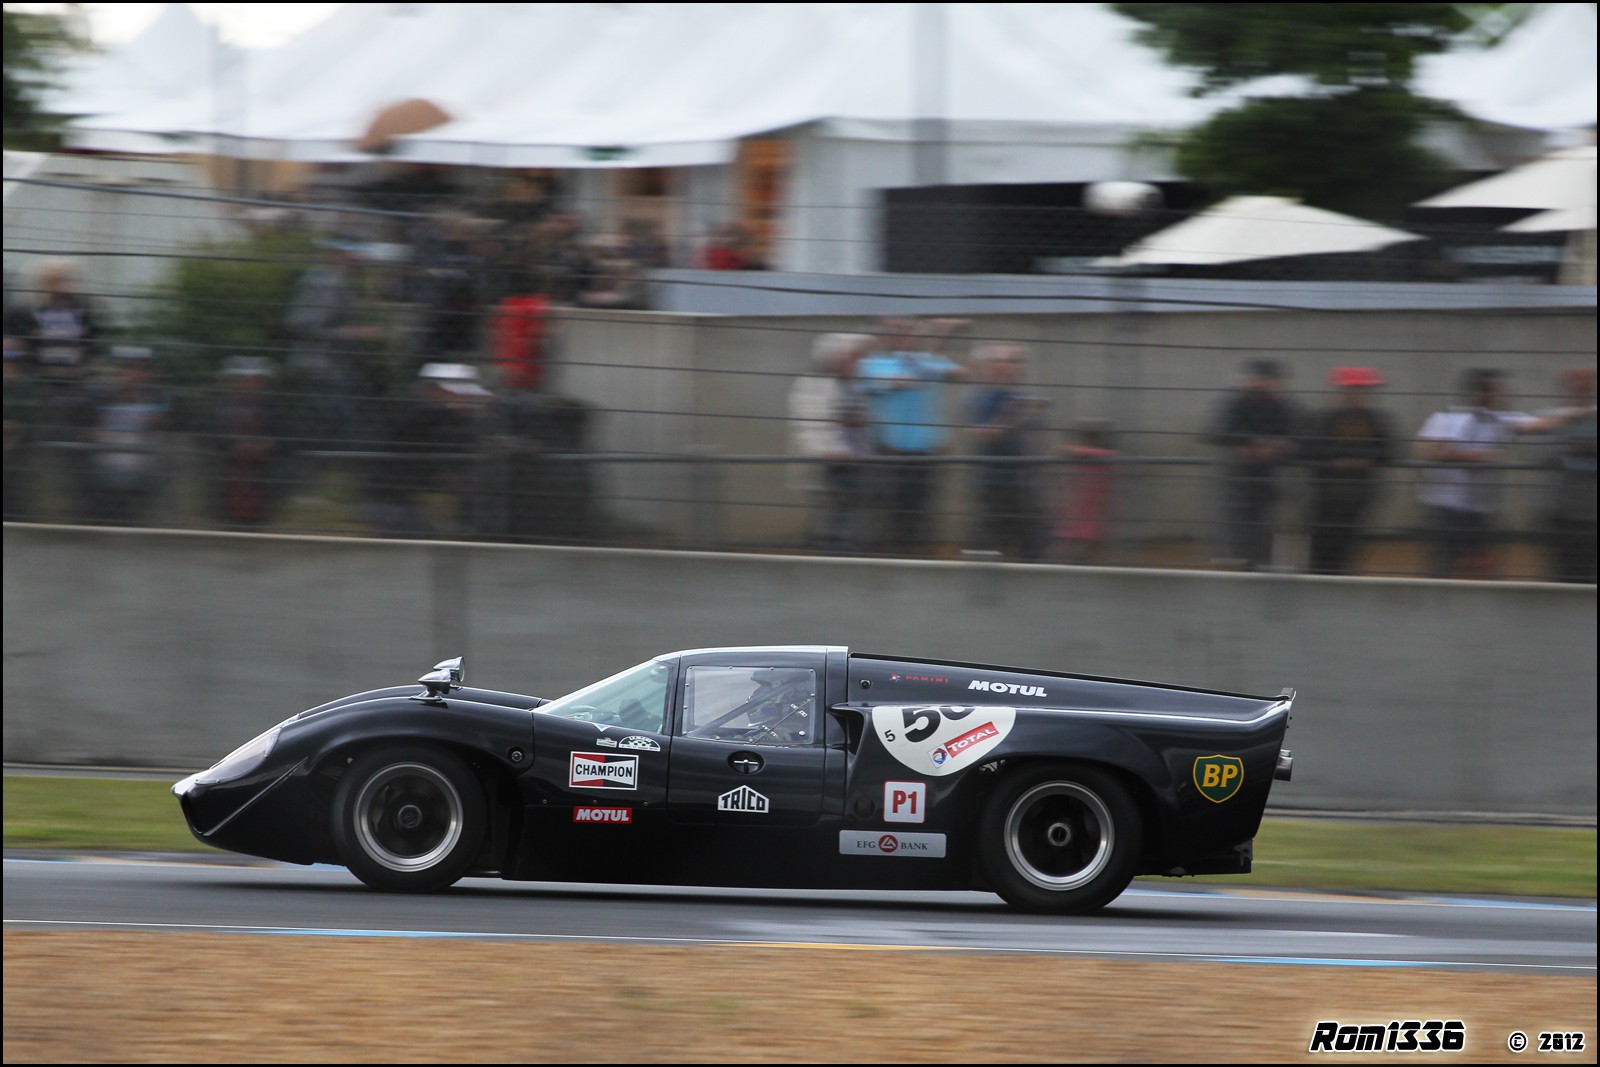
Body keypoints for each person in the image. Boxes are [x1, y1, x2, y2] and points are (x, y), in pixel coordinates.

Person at [1415, 368, 1590, 579]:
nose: (1504, 396)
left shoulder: (1499, 418)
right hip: (1448, 508)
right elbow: (1434, 451)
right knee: (1446, 566)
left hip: (1481, 510)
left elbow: (1541, 426)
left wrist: (1581, 412)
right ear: (1482, 392)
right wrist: (1481, 457)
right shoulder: (1446, 418)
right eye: (1499, 390)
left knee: (1482, 567)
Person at [857, 319, 969, 553]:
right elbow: (901, 382)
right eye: (899, 331)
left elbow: (960, 374)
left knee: (922, 507)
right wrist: (938, 344)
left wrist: (934, 353)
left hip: (926, 452)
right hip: (891, 452)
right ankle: (895, 554)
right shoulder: (874, 364)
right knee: (891, 510)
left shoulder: (929, 360)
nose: (906, 337)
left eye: (911, 331)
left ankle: (916, 554)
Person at [1208, 359, 1300, 570]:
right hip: (1238, 479)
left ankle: (1258, 566)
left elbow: (1298, 437)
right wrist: (1252, 444)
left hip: (1267, 479)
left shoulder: (1281, 406)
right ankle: (1242, 567)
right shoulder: (1236, 402)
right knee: (1237, 529)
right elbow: (1218, 432)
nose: (1262, 386)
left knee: (1263, 528)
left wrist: (1277, 448)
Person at [1304, 367, 1396, 575]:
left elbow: (1388, 450)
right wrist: (1339, 460)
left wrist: (1362, 460)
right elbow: (1311, 448)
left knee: (1349, 546)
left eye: (1361, 391)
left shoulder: (1376, 420)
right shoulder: (1323, 418)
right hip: (1326, 496)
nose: (1356, 396)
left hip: (1358, 496)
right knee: (1322, 546)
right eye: (1351, 391)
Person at [787, 333, 871, 553]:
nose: (854, 362)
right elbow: (808, 425)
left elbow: (858, 419)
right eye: (848, 357)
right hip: (831, 460)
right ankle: (832, 550)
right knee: (833, 507)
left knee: (841, 507)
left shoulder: (847, 384)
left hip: (850, 458)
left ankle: (834, 547)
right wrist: (826, 451)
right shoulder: (814, 385)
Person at [966, 343, 1047, 560]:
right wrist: (1017, 414)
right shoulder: (984, 398)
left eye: (1015, 361)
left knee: (1031, 539)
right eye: (1002, 361)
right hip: (996, 481)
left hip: (1023, 480)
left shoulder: (1023, 396)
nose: (1010, 367)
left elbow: (1035, 439)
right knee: (993, 538)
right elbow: (983, 434)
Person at [1541, 368, 1597, 583]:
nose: (1584, 394)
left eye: (1588, 388)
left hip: (1591, 512)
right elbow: (1545, 457)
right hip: (1564, 512)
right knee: (1565, 574)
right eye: (1579, 389)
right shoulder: (1556, 419)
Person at [1052, 419, 1119, 564]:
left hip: (1090, 511)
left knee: (1082, 549)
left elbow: (1068, 450)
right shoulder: (1086, 458)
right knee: (1072, 548)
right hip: (1078, 509)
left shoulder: (1103, 457)